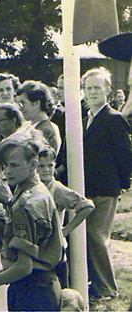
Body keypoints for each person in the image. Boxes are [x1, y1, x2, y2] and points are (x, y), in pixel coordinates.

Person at [59, 67, 131, 299]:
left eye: (97, 88)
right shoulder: (83, 119)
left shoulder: (114, 118)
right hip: (84, 189)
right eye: (88, 88)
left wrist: (121, 184)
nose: (92, 92)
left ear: (108, 90)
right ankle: (92, 283)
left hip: (105, 189)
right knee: (82, 238)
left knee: (95, 236)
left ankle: (107, 289)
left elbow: (124, 154)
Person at [0, 139, 64, 311]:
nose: (7, 172)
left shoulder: (25, 204)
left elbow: (24, 267)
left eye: (14, 165)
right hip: (44, 285)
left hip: (31, 290)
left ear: (33, 164)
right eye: (5, 165)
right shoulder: (38, 191)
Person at [38, 146, 94, 288]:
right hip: (38, 247)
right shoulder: (34, 187)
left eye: (50, 165)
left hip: (54, 248)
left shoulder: (57, 189)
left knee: (59, 289)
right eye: (41, 166)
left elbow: (87, 205)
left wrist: (65, 231)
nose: (46, 170)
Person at [16, 80, 61, 152]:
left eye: (22, 103)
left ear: (36, 103)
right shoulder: (28, 125)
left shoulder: (46, 131)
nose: (20, 108)